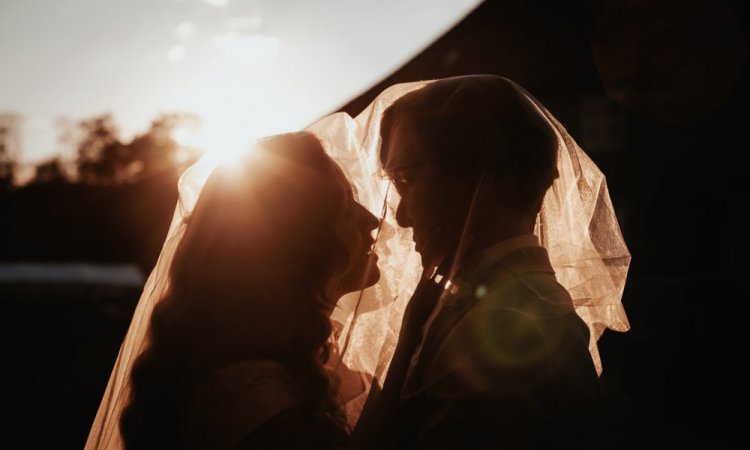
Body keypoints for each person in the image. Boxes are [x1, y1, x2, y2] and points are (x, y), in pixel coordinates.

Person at [347, 75, 619, 450]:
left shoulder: (499, 329)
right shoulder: (517, 300)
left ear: (478, 177)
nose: (401, 216)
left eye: (407, 178)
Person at [113, 131, 380, 450]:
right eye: (347, 209)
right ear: (297, 246)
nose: (373, 219)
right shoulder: (248, 397)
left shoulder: (305, 364)